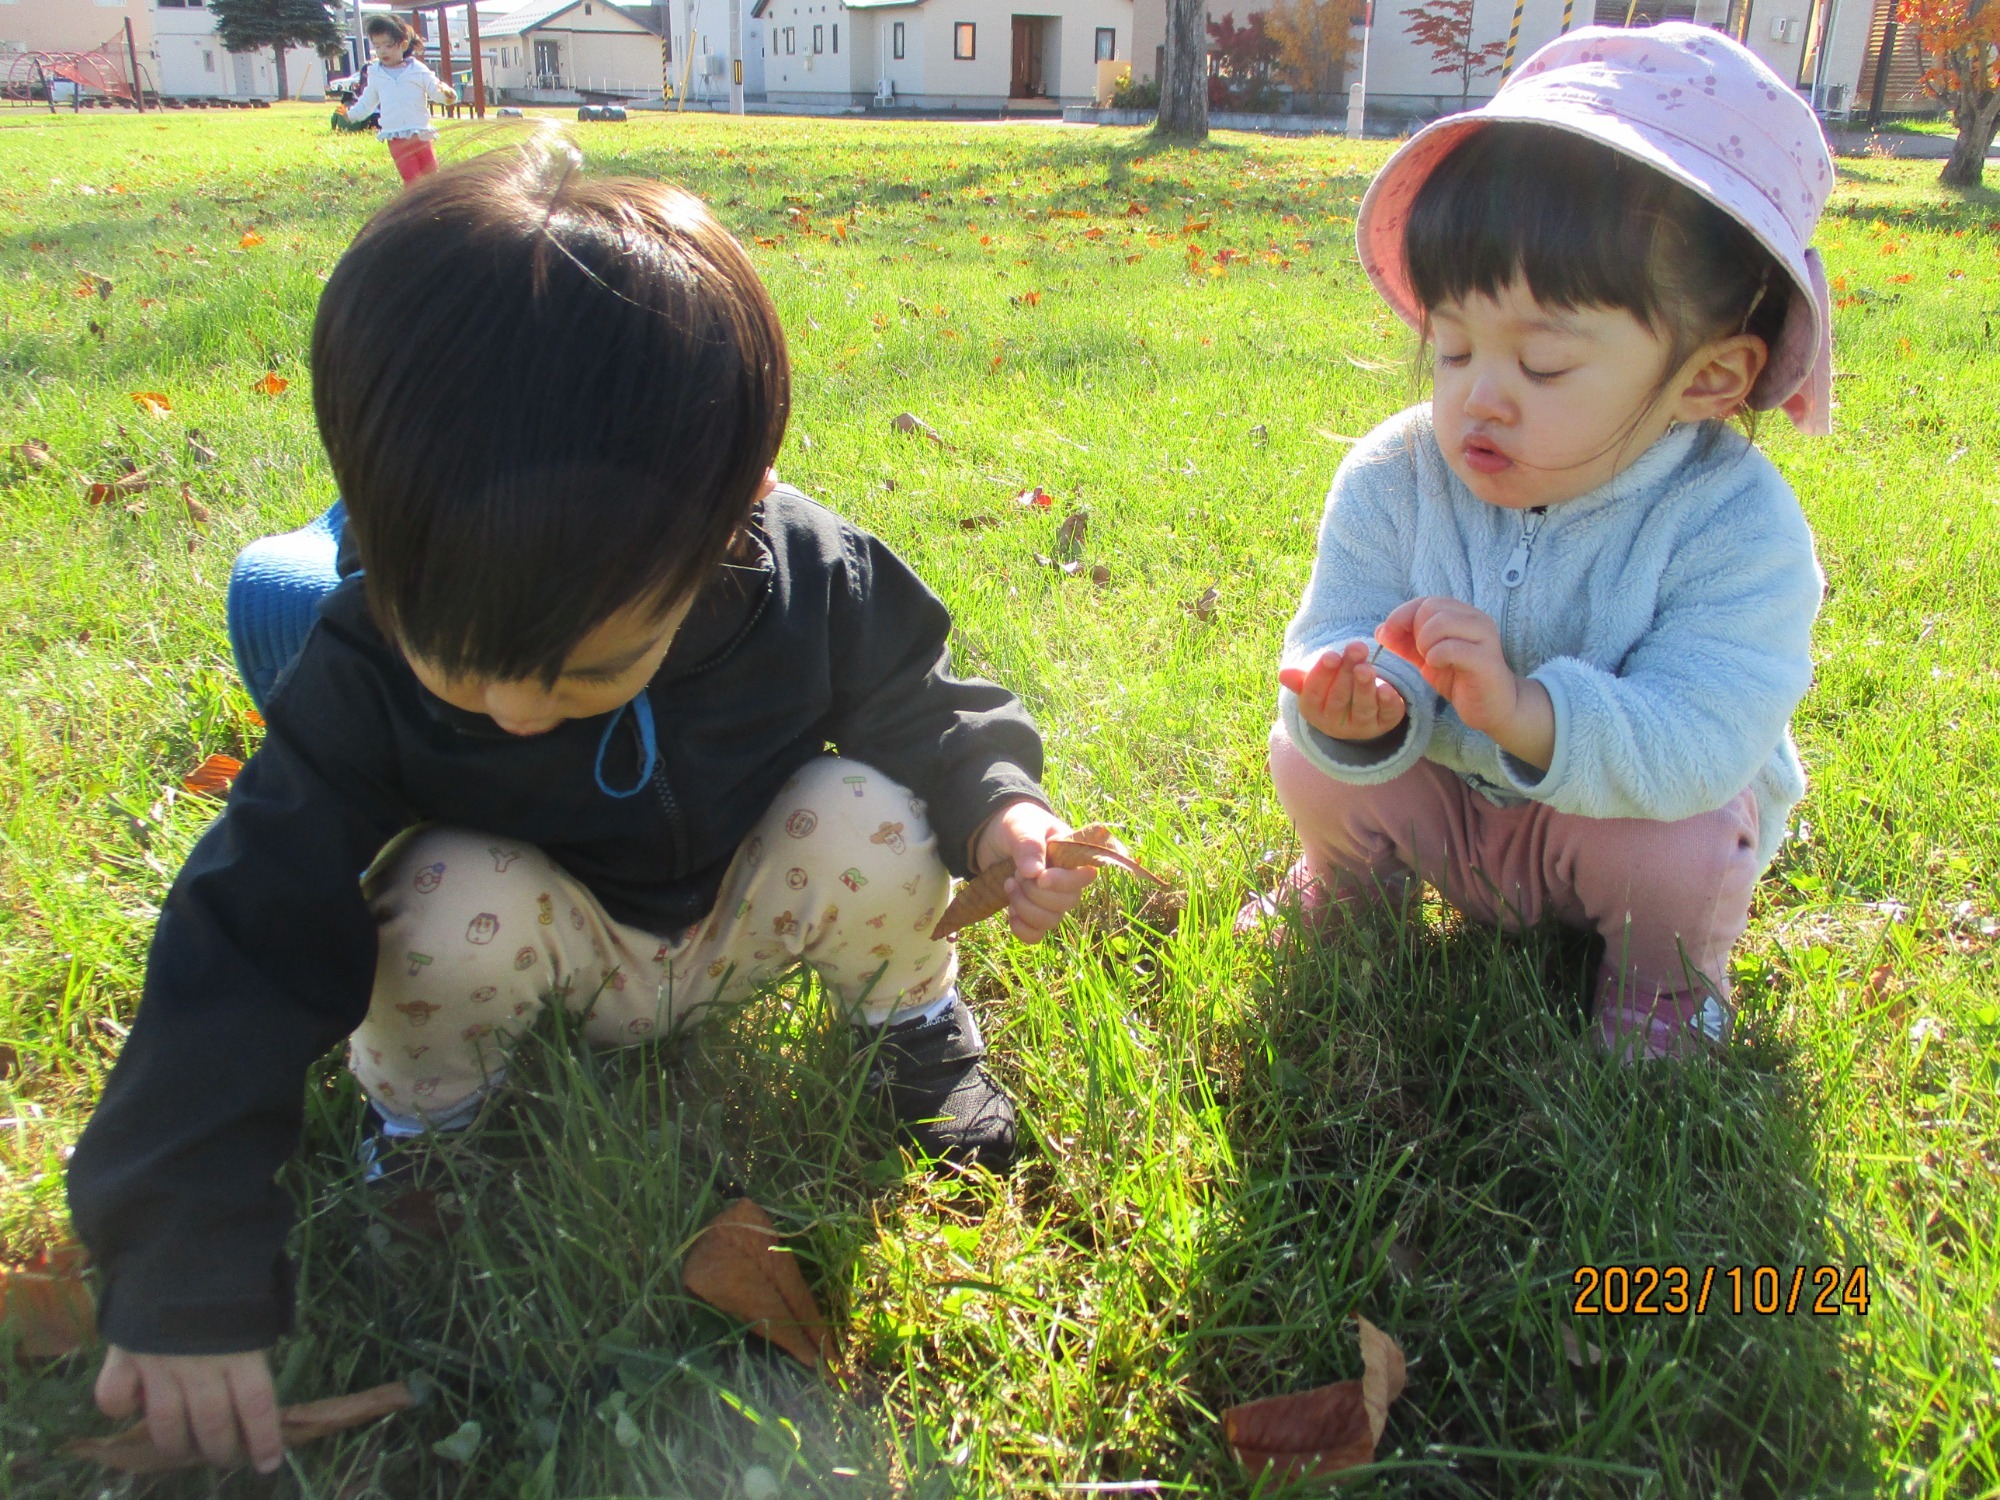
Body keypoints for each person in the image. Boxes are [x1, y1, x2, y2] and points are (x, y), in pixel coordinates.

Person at [67, 146, 1096, 1473]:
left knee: (869, 810)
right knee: (442, 900)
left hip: (737, 918)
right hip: (544, 944)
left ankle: (913, 1031)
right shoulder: (361, 656)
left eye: (587, 665)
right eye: (455, 652)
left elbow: (924, 704)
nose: (510, 709)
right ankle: (430, 1132)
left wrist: (1004, 813)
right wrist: (180, 1270)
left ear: (741, 510)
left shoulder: (808, 574)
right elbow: (245, 928)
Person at [1249, 24, 1832, 1063]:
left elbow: (1700, 740)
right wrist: (1364, 691)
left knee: (1687, 845)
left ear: (1705, 376)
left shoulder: (1733, 528)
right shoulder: (1396, 472)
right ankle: (1348, 898)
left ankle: (1660, 990)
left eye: (1545, 365)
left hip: (1620, 826)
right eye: (1454, 344)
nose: (1478, 393)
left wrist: (1524, 714)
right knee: (1308, 754)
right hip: (1444, 797)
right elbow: (1338, 618)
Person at [348, 15, 456, 185]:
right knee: (411, 178)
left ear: (403, 45)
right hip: (396, 136)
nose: (382, 51)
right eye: (377, 46)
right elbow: (368, 100)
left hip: (420, 134)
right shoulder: (376, 74)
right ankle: (414, 207)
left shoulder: (417, 70)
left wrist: (446, 95)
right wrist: (352, 115)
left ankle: (432, 207)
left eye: (388, 45)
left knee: (432, 175)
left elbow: (434, 88)